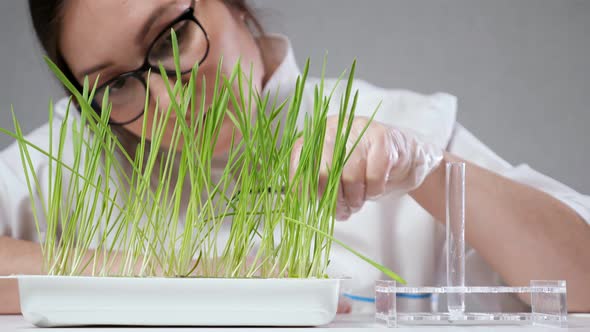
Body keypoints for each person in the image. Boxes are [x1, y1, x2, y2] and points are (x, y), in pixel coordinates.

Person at [1, 0, 589, 315]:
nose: (166, 101)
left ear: (230, 5)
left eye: (169, 39)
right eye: (115, 85)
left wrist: (427, 169)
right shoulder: (76, 155)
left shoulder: (395, 125)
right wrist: (177, 281)